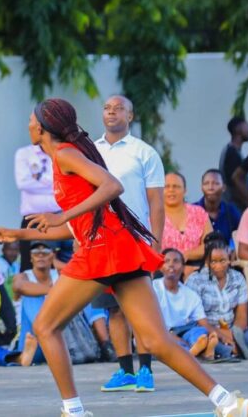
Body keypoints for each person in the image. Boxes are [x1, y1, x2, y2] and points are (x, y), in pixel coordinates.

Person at [0, 98, 248, 417]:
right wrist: (20, 235)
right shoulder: (64, 157)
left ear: (42, 127)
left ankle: (73, 411)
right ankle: (227, 402)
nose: (28, 125)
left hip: (101, 251)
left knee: (45, 326)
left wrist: (61, 216)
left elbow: (112, 186)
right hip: (117, 247)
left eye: (31, 120)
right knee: (156, 341)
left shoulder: (63, 154)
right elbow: (78, 225)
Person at [93, 94, 165, 392]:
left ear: (130, 116)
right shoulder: (90, 151)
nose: (112, 113)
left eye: (119, 108)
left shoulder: (144, 152)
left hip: (135, 241)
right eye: (107, 108)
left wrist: (157, 244)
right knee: (113, 309)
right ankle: (125, 371)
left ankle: (146, 369)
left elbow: (157, 203)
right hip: (101, 242)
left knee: (139, 309)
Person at [13, 242, 105, 367]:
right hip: (32, 336)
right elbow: (19, 287)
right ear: (30, 258)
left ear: (53, 256)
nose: (40, 256)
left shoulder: (63, 274)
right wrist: (56, 293)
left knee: (89, 295)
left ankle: (105, 344)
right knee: (32, 297)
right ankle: (37, 341)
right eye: (36, 253)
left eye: (45, 252)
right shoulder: (22, 276)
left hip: (66, 336)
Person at [153, 249, 229, 362]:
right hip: (159, 332)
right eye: (167, 261)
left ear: (183, 267)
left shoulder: (191, 295)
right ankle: (199, 351)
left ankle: (200, 348)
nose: (171, 264)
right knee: (165, 342)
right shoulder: (153, 288)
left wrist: (222, 336)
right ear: (160, 267)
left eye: (176, 261)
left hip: (183, 332)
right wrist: (175, 338)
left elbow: (205, 324)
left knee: (200, 332)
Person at [186, 240, 248, 360]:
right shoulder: (196, 280)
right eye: (213, 261)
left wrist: (235, 334)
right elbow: (197, 319)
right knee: (203, 337)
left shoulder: (238, 278)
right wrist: (222, 335)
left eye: (222, 261)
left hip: (232, 329)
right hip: (205, 328)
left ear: (229, 259)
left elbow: (242, 314)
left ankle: (230, 347)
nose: (218, 266)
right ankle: (224, 349)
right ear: (206, 262)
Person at [15, 141, 59, 271]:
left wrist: (38, 177)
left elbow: (65, 184)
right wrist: (53, 184)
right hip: (31, 219)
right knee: (29, 265)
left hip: (58, 219)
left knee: (57, 266)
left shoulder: (64, 152)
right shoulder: (24, 153)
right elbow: (23, 183)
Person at [161, 172, 212, 277]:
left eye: (176, 186)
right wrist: (177, 266)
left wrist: (187, 255)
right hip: (163, 269)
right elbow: (151, 249)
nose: (171, 190)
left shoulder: (198, 213)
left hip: (197, 268)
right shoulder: (153, 216)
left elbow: (210, 245)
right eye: (167, 186)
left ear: (185, 191)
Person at [195, 169, 242, 245]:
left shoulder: (231, 211)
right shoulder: (192, 210)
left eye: (216, 183)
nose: (210, 187)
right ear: (201, 187)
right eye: (206, 183)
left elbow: (242, 238)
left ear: (224, 187)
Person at [220, 116, 248, 209]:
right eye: (247, 128)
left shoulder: (232, 151)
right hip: (234, 208)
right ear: (238, 129)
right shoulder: (232, 153)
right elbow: (234, 184)